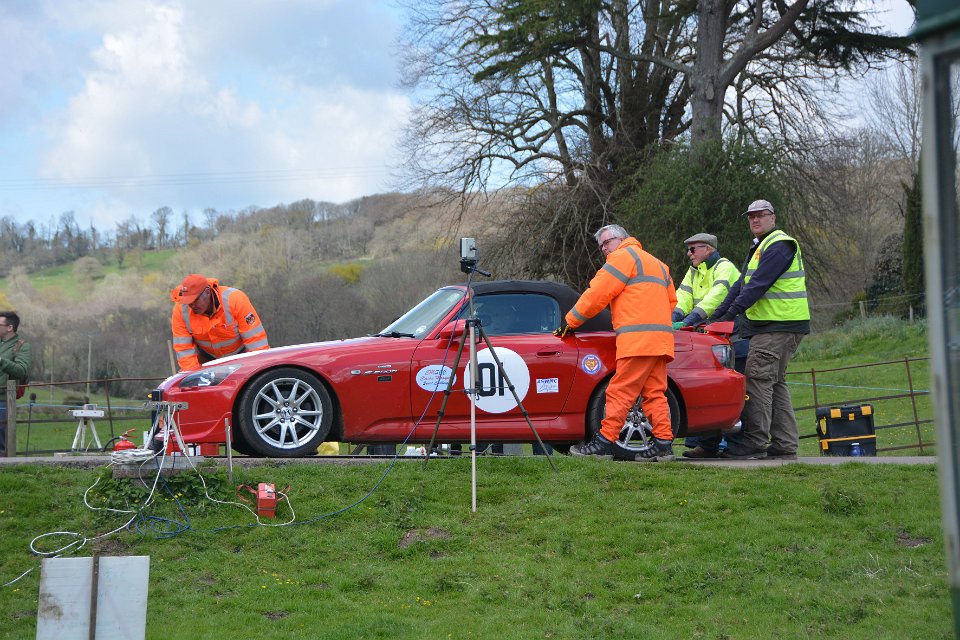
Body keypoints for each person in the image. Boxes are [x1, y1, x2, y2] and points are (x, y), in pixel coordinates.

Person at [556, 224, 677, 462]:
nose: (604, 250)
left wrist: (571, 321)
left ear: (619, 239)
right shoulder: (658, 264)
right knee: (654, 393)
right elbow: (671, 302)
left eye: (606, 243)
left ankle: (604, 442)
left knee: (619, 391)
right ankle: (663, 443)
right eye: (601, 246)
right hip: (660, 341)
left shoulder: (622, 257)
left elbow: (596, 294)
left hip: (637, 341)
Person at [707, 200, 810, 459]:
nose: (755, 220)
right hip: (779, 326)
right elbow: (740, 286)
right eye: (751, 216)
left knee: (758, 380)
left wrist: (730, 317)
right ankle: (785, 444)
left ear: (772, 217)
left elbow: (757, 287)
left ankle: (754, 442)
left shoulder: (779, 245)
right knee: (775, 383)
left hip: (777, 327)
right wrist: (717, 316)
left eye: (760, 216)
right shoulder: (761, 247)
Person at [670, 232, 742, 458]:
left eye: (693, 250)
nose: (688, 254)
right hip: (709, 336)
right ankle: (707, 445)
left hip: (734, 337)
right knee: (709, 388)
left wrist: (689, 320)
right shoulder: (694, 271)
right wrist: (672, 317)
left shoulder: (725, 267)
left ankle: (736, 445)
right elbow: (682, 296)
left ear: (708, 249)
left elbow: (717, 297)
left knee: (733, 390)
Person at [171, 274, 269, 371]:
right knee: (184, 379)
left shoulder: (235, 299)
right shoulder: (181, 311)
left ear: (208, 292)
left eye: (195, 300)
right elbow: (184, 351)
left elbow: (256, 344)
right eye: (188, 302)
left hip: (242, 355)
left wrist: (258, 370)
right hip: (207, 360)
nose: (192, 305)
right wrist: (193, 377)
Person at [0, 311, 33, 456]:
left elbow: (21, 370)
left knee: (0, 435)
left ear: (9, 327)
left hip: (3, 399)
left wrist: (1, 361)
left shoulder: (23, 347)